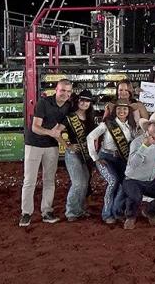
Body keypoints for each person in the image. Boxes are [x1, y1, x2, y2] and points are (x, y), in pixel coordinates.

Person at [20, 79, 73, 227]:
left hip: (52, 146)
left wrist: (59, 135)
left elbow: (62, 126)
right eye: (63, 90)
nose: (65, 94)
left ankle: (47, 211)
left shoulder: (68, 106)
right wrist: (52, 133)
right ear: (56, 89)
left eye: (68, 92)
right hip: (34, 144)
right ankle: (26, 213)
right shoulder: (44, 102)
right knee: (29, 180)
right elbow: (35, 127)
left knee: (49, 180)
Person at [87, 99, 140, 224]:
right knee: (112, 181)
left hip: (122, 159)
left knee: (124, 184)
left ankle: (117, 212)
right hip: (106, 157)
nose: (122, 111)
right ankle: (106, 213)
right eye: (119, 108)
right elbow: (90, 137)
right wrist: (95, 158)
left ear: (129, 111)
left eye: (125, 109)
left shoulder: (131, 126)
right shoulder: (107, 124)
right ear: (115, 110)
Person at [61, 90, 97, 222]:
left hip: (86, 154)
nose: (84, 103)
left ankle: (79, 210)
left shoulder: (90, 118)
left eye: (87, 101)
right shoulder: (69, 117)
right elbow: (56, 132)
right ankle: (71, 211)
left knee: (85, 182)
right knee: (77, 183)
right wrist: (67, 145)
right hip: (73, 154)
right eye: (82, 100)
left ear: (90, 103)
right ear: (78, 101)